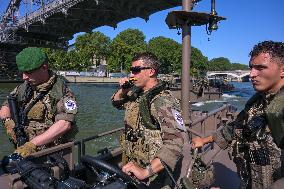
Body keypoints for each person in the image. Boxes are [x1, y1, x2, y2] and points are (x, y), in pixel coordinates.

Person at [191, 41, 284, 189]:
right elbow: (235, 127)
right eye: (251, 68)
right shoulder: (257, 103)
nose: (252, 74)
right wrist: (205, 140)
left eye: (261, 67)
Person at [111, 52, 188, 188]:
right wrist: (123, 90)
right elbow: (116, 103)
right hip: (134, 169)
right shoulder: (137, 95)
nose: (132, 74)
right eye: (131, 70)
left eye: (136, 70)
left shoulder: (163, 101)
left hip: (155, 178)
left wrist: (146, 172)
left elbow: (177, 142)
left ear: (151, 71)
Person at [0, 47, 78, 157]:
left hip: (54, 153)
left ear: (44, 67)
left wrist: (32, 144)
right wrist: (8, 122)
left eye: (28, 72)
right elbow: (6, 106)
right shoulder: (23, 88)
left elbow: (65, 124)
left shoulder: (62, 92)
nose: (24, 77)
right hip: (25, 149)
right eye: (22, 72)